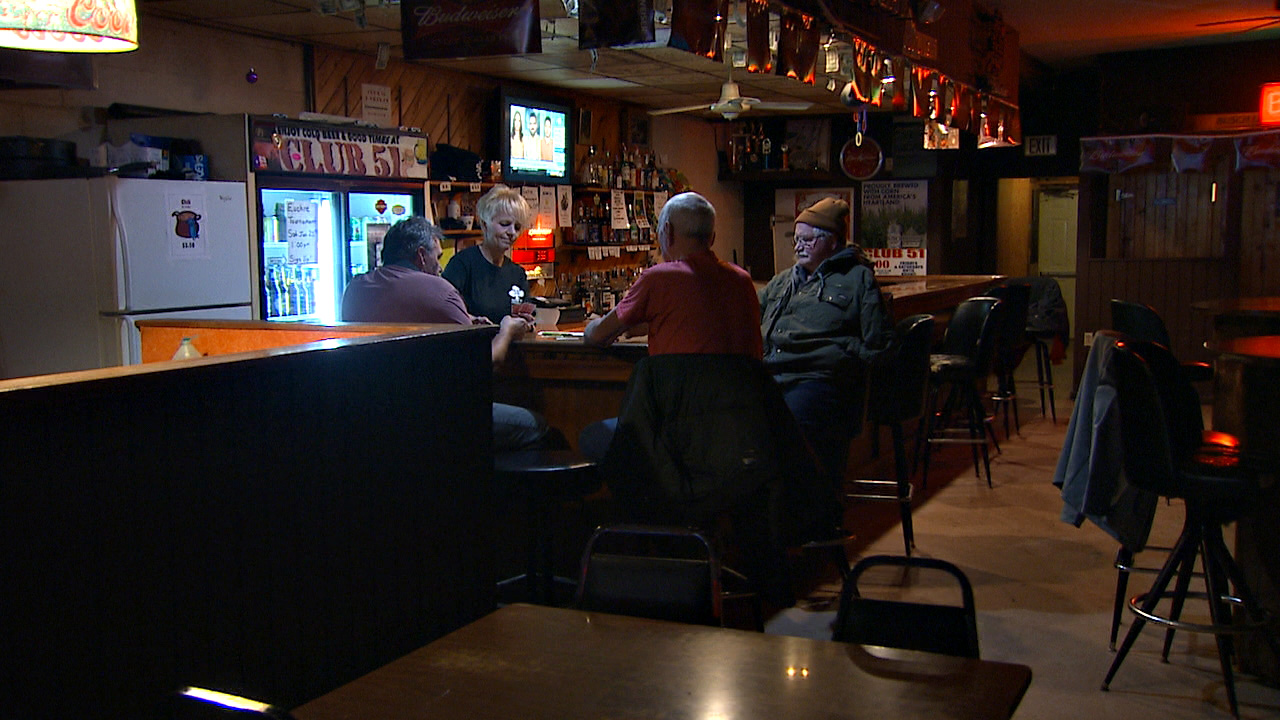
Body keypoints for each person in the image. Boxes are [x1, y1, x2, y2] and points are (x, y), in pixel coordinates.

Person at [342, 216, 550, 452]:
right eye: (438, 257)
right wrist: (507, 329)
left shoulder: (356, 288)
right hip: (437, 416)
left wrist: (467, 320)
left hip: (372, 418)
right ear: (421, 256)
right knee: (535, 424)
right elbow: (488, 362)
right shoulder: (437, 288)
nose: (441, 267)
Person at [580, 191, 762, 458]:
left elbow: (597, 337)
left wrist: (590, 325)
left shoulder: (658, 278)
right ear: (712, 238)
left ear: (667, 231)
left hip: (674, 428)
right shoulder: (742, 281)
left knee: (592, 438)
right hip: (735, 430)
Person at [758, 196, 891, 495]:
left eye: (807, 239)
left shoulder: (857, 279)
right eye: (796, 238)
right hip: (772, 378)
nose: (798, 246)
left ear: (832, 241)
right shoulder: (782, 282)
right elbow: (748, 315)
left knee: (791, 434)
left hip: (820, 382)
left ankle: (813, 525)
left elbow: (878, 344)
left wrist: (841, 349)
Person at [442, 185, 531, 324]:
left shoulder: (517, 274)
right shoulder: (462, 264)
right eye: (504, 224)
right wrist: (472, 320)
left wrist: (528, 324)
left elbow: (526, 318)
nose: (512, 232)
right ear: (484, 224)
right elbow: (443, 309)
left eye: (517, 227)